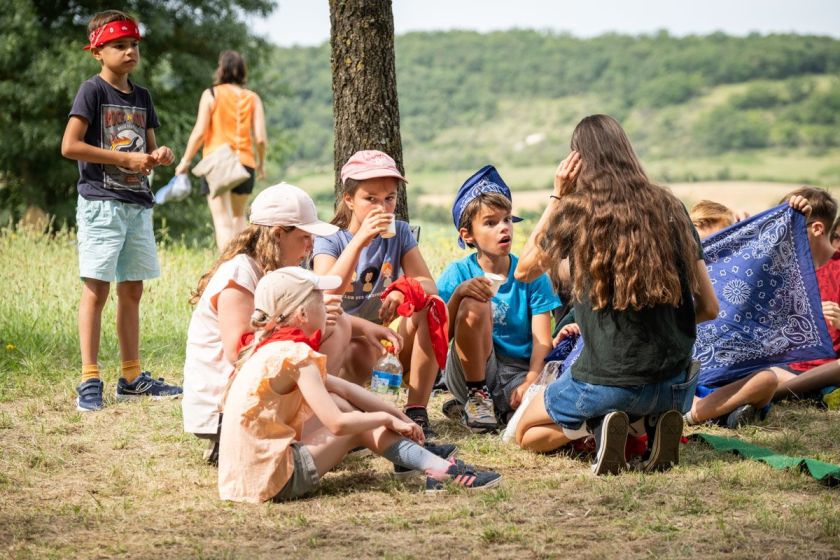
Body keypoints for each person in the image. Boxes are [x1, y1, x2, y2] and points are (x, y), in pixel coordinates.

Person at [512, 114, 719, 475]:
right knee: (638, 395)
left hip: (608, 383)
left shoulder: (577, 211)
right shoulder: (671, 208)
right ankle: (649, 425)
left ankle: (598, 428)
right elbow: (710, 307)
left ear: (577, 162)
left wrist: (558, 196)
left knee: (525, 431)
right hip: (675, 385)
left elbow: (524, 269)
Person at [218, 267, 502, 503]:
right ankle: (443, 471)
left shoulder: (271, 347)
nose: (328, 302)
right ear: (302, 314)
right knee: (359, 426)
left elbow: (341, 387)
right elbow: (339, 425)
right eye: (320, 298)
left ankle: (414, 458)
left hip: (243, 478)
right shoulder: (296, 355)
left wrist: (398, 417)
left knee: (347, 405)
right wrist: (381, 419)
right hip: (270, 480)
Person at [61, 9, 181, 411]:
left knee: (133, 289)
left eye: (134, 45)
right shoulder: (91, 91)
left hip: (137, 205)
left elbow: (147, 148)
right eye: (119, 45)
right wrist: (122, 161)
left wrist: (159, 155)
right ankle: (89, 378)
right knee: (97, 289)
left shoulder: (143, 96)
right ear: (98, 51)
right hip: (101, 203)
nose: (130, 52)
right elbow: (70, 146)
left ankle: (131, 377)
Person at [182, 183, 351, 461]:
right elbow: (238, 350)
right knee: (342, 408)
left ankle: (313, 416)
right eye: (305, 237)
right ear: (277, 234)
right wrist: (301, 325)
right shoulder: (240, 273)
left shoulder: (274, 270)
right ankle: (250, 439)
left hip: (249, 390)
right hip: (222, 409)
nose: (310, 247)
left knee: (339, 326)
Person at [313, 150, 444, 437]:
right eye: (370, 199)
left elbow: (428, 284)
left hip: (386, 343)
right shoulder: (330, 238)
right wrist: (360, 240)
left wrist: (402, 289)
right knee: (336, 323)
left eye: (389, 198)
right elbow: (325, 292)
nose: (381, 207)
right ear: (349, 200)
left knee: (430, 305)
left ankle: (416, 411)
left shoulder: (400, 232)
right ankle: (341, 406)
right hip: (346, 346)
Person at [691, 187, 840, 417]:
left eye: (792, 230)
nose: (787, 238)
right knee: (760, 373)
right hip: (778, 365)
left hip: (822, 368)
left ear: (817, 228)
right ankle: (753, 398)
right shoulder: (781, 267)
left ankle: (757, 398)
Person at [436, 166, 559, 433]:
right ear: (467, 235)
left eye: (506, 220)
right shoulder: (457, 273)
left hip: (519, 371)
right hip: (470, 372)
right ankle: (477, 400)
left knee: (540, 406)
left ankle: (495, 412)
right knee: (475, 299)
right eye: (490, 223)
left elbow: (542, 339)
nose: (503, 228)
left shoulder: (532, 275)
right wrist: (459, 295)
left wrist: (531, 380)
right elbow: (439, 339)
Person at [175, 50, 268, 251]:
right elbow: (260, 138)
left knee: (222, 220)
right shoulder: (253, 98)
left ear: (221, 69)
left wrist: (185, 162)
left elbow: (199, 132)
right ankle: (243, 262)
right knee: (239, 217)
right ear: (243, 71)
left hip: (217, 161)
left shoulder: (211, 94)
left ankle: (227, 269)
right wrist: (260, 164)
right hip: (245, 162)